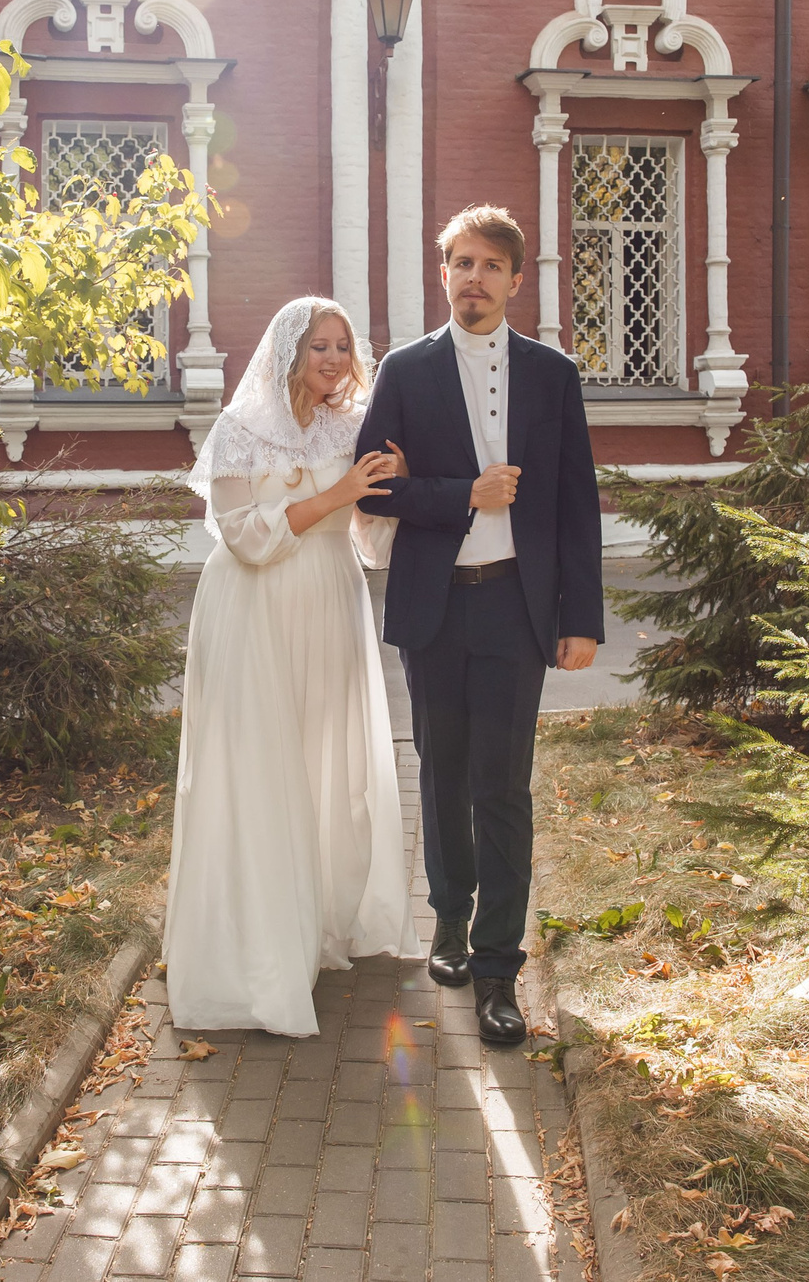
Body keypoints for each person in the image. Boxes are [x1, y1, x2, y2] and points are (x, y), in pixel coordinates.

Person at [354, 206, 603, 1047]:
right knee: (442, 771)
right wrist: (464, 491)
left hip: (517, 605)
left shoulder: (551, 373)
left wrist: (582, 617)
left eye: (491, 265)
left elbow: (576, 502)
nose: (474, 278)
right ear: (444, 273)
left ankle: (500, 966)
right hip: (436, 601)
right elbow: (375, 488)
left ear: (516, 280)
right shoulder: (405, 369)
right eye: (461, 262)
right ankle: (449, 924)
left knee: (503, 785)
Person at [164, 297, 420, 1036]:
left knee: (321, 766)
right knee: (259, 769)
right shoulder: (240, 430)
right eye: (319, 345)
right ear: (287, 352)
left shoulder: (353, 428)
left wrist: (390, 489)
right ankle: (255, 946)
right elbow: (245, 537)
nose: (335, 358)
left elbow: (371, 540)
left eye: (344, 345)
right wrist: (335, 493)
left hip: (331, 605)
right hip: (252, 610)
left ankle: (317, 924)